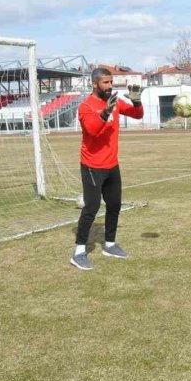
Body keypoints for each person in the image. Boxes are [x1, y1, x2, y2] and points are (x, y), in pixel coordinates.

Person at [70, 69, 144, 270]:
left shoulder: (115, 101)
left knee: (114, 205)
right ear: (95, 84)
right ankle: (78, 252)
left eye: (111, 82)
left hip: (112, 164)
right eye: (105, 82)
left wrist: (136, 101)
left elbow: (138, 115)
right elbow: (93, 131)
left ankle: (109, 244)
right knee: (91, 208)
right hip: (92, 166)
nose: (110, 86)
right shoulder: (85, 106)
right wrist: (105, 112)